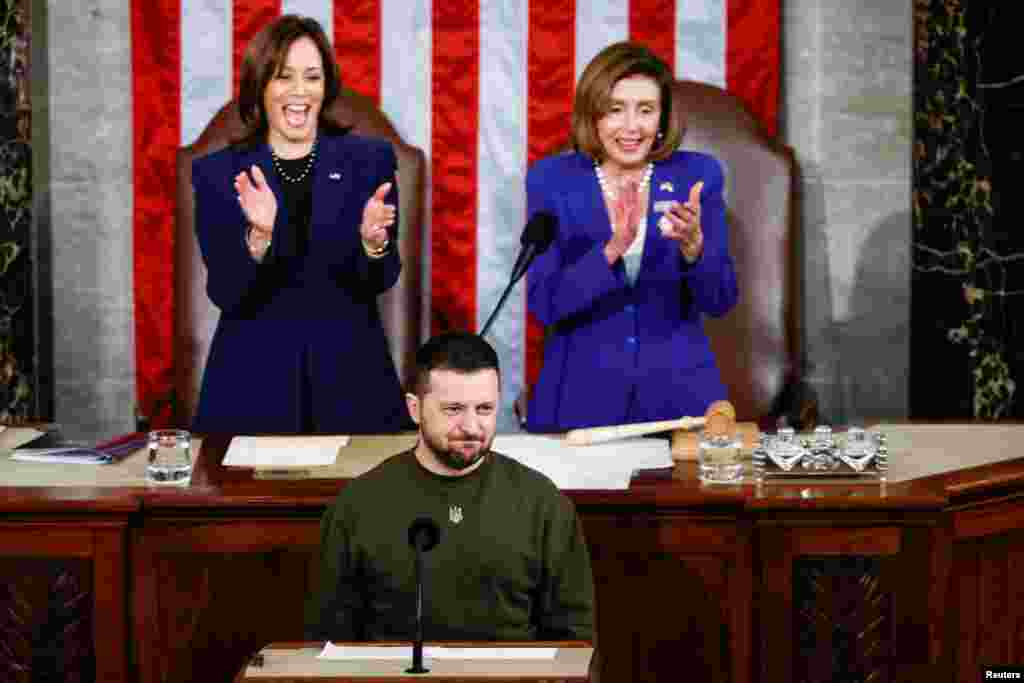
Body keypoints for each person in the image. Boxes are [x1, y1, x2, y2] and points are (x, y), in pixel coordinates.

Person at [190, 14, 411, 434]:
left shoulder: (369, 161)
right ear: (260, 87)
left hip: (352, 382)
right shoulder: (218, 173)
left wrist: (372, 244)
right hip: (251, 387)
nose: (299, 92)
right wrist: (259, 238)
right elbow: (226, 291)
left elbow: (382, 278)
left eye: (312, 77)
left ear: (326, 86)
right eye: (283, 77)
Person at [305, 332, 594, 641]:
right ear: (414, 409)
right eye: (453, 409)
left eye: (484, 409)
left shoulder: (543, 504)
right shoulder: (357, 505)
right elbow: (326, 641)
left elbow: (574, 643)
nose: (471, 427)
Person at [524, 41, 739, 432]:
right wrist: (610, 250)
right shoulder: (553, 182)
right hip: (580, 397)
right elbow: (545, 305)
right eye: (615, 109)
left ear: (663, 118)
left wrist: (695, 251)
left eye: (645, 110)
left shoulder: (697, 177)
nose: (631, 127)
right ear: (594, 116)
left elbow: (720, 300)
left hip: (679, 398)